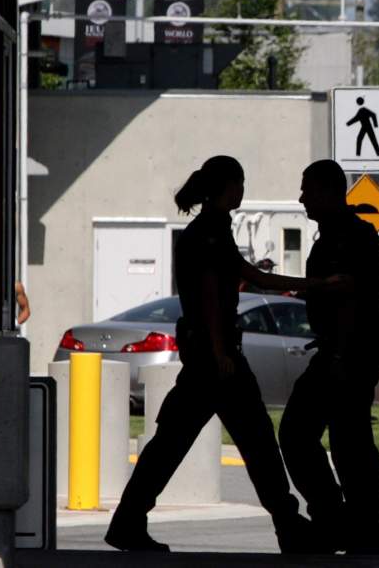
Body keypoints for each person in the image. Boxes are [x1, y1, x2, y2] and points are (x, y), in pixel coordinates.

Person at [105, 155, 341, 554]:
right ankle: (288, 525)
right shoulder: (210, 233)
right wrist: (220, 351)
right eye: (240, 183)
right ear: (227, 186)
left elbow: (253, 277)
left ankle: (128, 521)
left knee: (175, 443)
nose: (243, 190)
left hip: (206, 357)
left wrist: (315, 284)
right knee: (255, 442)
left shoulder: (208, 230)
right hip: (216, 359)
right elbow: (214, 294)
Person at [279, 159, 379, 555]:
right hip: (340, 351)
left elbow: (350, 300)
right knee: (329, 437)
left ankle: (358, 525)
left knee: (340, 441)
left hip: (349, 353)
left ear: (328, 191)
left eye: (307, 190)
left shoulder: (348, 237)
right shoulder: (334, 234)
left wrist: (340, 356)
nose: (301, 198)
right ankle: (346, 522)